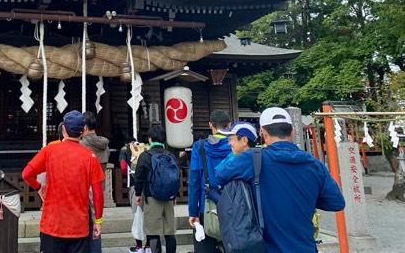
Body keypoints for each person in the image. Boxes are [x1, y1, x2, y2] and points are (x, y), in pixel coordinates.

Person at [215, 107, 345, 253]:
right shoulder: (314, 165)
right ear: (292, 132)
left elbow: (220, 175)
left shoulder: (253, 159)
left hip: (267, 247)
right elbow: (336, 202)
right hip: (305, 247)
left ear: (263, 132)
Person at [22, 110, 105, 253]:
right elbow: (98, 192)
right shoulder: (90, 157)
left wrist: (39, 187)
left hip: (52, 224)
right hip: (79, 225)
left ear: (63, 129)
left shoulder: (49, 151)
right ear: (83, 130)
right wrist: (98, 220)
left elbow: (26, 174)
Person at [187, 109, 232, 253]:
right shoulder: (236, 145)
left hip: (205, 206)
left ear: (210, 124)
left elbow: (193, 181)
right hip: (232, 204)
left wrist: (192, 212)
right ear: (229, 124)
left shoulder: (199, 146)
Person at [134, 125, 178, 253]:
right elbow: (176, 176)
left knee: (153, 232)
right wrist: (174, 195)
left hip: (151, 197)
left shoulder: (145, 156)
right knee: (170, 232)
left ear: (150, 139)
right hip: (169, 198)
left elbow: (139, 177)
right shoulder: (170, 155)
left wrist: (138, 194)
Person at [81, 111, 110, 253]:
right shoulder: (105, 145)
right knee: (96, 223)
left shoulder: (81, 146)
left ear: (85, 127)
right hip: (99, 187)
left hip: (84, 188)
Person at [119, 137, 147, 253]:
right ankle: (149, 246)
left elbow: (123, 167)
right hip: (148, 185)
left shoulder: (124, 150)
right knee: (147, 214)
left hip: (135, 185)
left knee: (137, 216)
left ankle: (139, 246)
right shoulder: (145, 148)